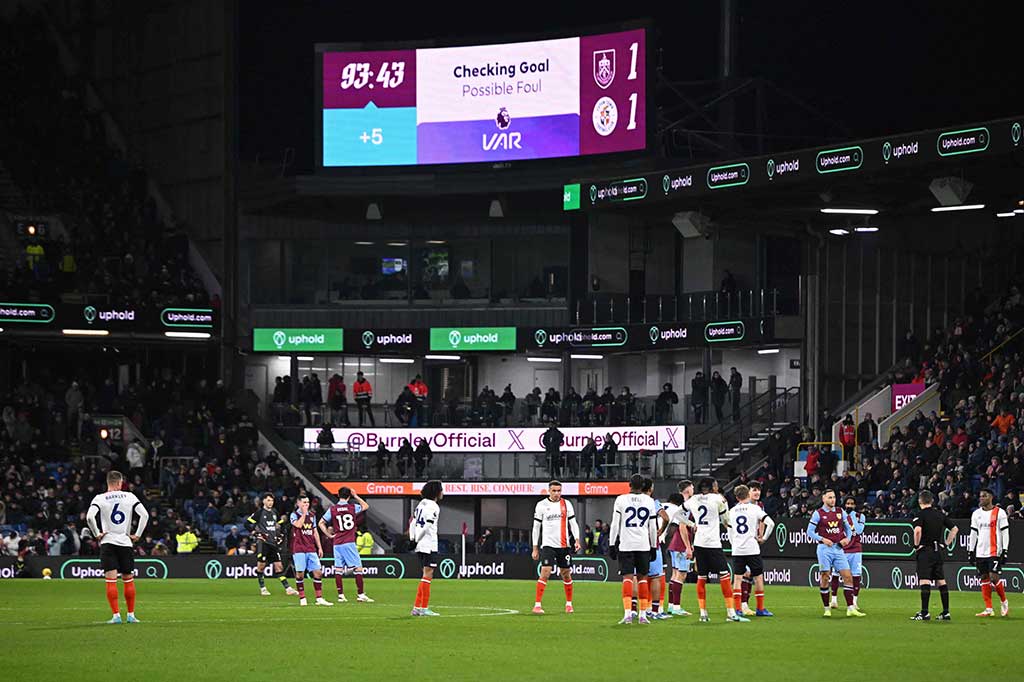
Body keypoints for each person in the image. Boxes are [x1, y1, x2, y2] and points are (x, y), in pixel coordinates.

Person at [86, 470, 149, 624]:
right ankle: (131, 615)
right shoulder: (129, 496)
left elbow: (89, 517)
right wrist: (138, 534)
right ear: (120, 483)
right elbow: (145, 515)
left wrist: (96, 533)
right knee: (128, 579)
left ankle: (116, 616)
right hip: (125, 542)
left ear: (108, 483)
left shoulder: (100, 498)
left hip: (108, 542)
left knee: (111, 581)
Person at [683, 478, 744, 622]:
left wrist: (692, 524)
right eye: (716, 484)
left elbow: (679, 514)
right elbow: (726, 520)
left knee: (701, 578)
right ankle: (730, 612)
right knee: (724, 575)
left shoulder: (694, 499)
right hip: (713, 544)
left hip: (699, 543)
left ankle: (703, 614)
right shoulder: (718, 499)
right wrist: (729, 525)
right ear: (712, 487)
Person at [608, 474, 658, 625]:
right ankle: (643, 615)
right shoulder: (649, 501)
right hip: (643, 545)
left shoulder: (621, 499)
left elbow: (615, 524)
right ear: (643, 486)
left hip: (626, 545)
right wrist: (654, 546)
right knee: (643, 578)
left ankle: (628, 614)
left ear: (629, 485)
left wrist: (611, 544)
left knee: (628, 578)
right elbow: (652, 527)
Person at [806, 490, 865, 618]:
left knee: (848, 576)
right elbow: (809, 532)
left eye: (834, 497)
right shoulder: (818, 514)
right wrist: (821, 539)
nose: (833, 500)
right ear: (823, 499)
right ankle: (827, 608)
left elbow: (849, 528)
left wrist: (847, 538)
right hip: (824, 549)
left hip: (838, 549)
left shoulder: (840, 511)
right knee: (825, 576)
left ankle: (850, 608)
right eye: (830, 497)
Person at [531, 481, 582, 615]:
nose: (556, 493)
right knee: (545, 572)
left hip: (564, 546)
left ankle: (569, 604)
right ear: (549, 491)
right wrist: (535, 547)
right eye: (554, 491)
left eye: (559, 491)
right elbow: (536, 528)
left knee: (566, 574)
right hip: (548, 545)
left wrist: (577, 539)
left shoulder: (567, 504)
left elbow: (573, 523)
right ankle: (537, 605)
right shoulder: (541, 505)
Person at [318, 487, 373, 603]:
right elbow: (366, 506)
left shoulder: (332, 509)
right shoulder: (352, 507)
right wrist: (356, 496)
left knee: (338, 569)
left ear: (338, 495)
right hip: (349, 542)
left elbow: (321, 523)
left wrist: (328, 534)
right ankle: (360, 594)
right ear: (349, 496)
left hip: (337, 543)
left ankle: (341, 596)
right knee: (358, 568)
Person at [910, 490, 958, 621]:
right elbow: (954, 529)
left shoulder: (919, 515)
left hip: (925, 551)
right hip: (938, 551)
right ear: (931, 501)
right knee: (941, 580)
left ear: (920, 501)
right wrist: (946, 544)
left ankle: (924, 612)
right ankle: (946, 612)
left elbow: (917, 531)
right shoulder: (939, 514)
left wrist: (916, 546)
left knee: (925, 580)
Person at [728, 485, 775, 618]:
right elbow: (770, 523)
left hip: (737, 549)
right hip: (752, 548)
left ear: (737, 497)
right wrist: (764, 538)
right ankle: (760, 609)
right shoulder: (755, 508)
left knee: (737, 579)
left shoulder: (731, 511)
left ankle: (737, 609)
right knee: (758, 577)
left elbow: (729, 530)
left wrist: (734, 544)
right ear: (748, 495)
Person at [244, 493, 297, 597]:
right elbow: (246, 523)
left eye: (271, 501)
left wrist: (280, 535)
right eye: (268, 500)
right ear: (263, 501)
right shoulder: (259, 513)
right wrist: (255, 533)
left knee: (279, 566)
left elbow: (280, 524)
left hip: (273, 544)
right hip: (263, 543)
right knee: (261, 566)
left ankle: (288, 588)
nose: (270, 502)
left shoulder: (274, 512)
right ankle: (263, 588)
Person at [968, 488, 1010, 617]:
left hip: (994, 551)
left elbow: (1005, 532)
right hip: (981, 551)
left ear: (991, 497)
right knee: (984, 578)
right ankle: (989, 609)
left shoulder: (1000, 513)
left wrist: (1005, 550)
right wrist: (971, 551)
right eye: (980, 496)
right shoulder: (976, 514)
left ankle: (1004, 601)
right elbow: (973, 533)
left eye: (984, 496)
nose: (981, 498)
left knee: (993, 577)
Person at [290, 493, 332, 607]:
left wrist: (319, 547)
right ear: (298, 503)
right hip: (298, 548)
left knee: (318, 572)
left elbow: (315, 532)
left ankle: (319, 598)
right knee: (300, 574)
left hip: (310, 548)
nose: (306, 505)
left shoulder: (312, 516)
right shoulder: (294, 515)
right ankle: (302, 598)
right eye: (304, 502)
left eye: (307, 502)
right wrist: (304, 514)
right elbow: (298, 525)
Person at [410, 480, 444, 616]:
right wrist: (417, 539)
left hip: (419, 543)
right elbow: (428, 525)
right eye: (441, 490)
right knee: (428, 575)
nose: (443, 492)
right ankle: (423, 608)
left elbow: (413, 522)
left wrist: (413, 539)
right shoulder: (433, 506)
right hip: (428, 543)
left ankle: (417, 608)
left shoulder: (421, 504)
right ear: (436, 492)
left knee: (425, 574)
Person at [642, 478, 672, 619]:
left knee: (638, 577)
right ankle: (655, 611)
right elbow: (666, 518)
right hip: (652, 542)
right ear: (651, 489)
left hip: (636, 543)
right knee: (656, 577)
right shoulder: (653, 502)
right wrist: (661, 530)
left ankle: (638, 610)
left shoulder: (629, 501)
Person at [664, 482, 695, 616]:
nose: (694, 489)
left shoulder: (684, 504)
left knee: (675, 574)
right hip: (681, 544)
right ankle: (677, 607)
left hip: (675, 543)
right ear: (687, 489)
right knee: (681, 575)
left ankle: (671, 605)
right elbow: (682, 526)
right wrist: (688, 546)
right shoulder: (687, 505)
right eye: (692, 487)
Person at [831, 497, 865, 611]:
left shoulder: (860, 516)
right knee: (835, 574)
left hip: (855, 550)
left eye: (852, 504)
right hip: (842, 549)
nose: (849, 505)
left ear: (855, 505)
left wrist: (851, 517)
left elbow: (859, 530)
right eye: (847, 503)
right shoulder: (839, 515)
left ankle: (854, 601)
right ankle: (834, 600)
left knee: (856, 575)